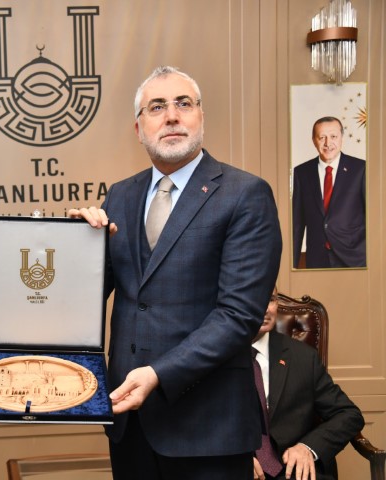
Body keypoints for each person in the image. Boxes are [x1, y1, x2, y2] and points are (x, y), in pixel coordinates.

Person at [69, 65, 282, 479]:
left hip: (209, 428)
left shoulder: (245, 194)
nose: (171, 116)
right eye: (157, 107)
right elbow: (88, 297)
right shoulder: (120, 196)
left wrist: (158, 374)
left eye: (183, 104)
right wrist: (78, 247)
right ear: (138, 128)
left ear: (201, 117)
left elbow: (239, 316)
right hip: (129, 424)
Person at [252, 288, 364, 480]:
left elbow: (348, 414)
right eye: (255, 297)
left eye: (270, 299)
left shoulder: (303, 357)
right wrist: (232, 458)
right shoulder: (216, 357)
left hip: (294, 472)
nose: (266, 309)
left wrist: (308, 447)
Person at [292, 116, 366, 269]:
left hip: (355, 260)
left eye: (333, 136)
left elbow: (373, 219)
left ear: (341, 138)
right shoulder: (302, 172)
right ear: (314, 141)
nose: (328, 143)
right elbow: (297, 224)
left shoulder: (361, 169)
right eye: (322, 137)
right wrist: (291, 266)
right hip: (317, 260)